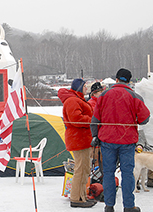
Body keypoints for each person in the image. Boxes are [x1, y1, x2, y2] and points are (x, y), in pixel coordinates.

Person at [91, 68, 150, 212]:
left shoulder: (104, 96)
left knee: (109, 173)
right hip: (127, 141)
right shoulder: (135, 96)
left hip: (107, 140)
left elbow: (95, 120)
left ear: (116, 79)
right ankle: (129, 206)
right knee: (127, 173)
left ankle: (109, 206)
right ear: (129, 81)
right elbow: (145, 119)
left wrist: (95, 136)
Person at [58, 79, 96, 208]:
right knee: (80, 169)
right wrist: (93, 120)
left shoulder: (77, 99)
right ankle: (76, 198)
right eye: (85, 86)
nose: (87, 88)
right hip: (78, 140)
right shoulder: (72, 100)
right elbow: (77, 119)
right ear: (79, 87)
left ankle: (82, 196)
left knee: (85, 169)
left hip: (83, 139)